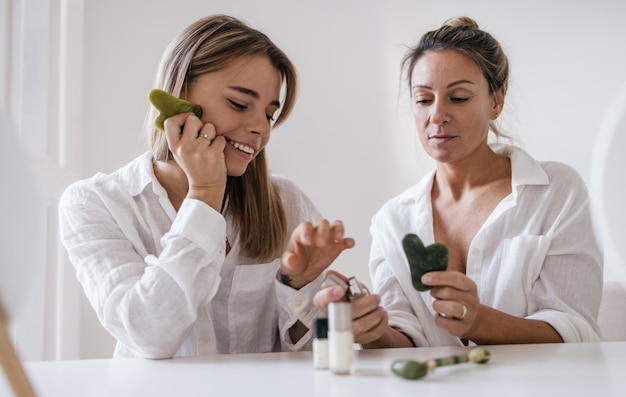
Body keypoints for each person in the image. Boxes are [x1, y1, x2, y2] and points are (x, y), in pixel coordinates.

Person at [58, 14, 354, 359]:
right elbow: (148, 334)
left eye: (269, 114)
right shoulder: (96, 203)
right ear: (180, 94)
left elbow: (320, 354)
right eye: (240, 104)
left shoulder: (284, 201)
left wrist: (299, 287)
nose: (262, 128)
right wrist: (204, 195)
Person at [315, 16, 602, 347]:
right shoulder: (392, 222)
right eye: (423, 99)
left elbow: (576, 330)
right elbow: (405, 335)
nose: (437, 115)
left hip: (535, 395)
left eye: (459, 97)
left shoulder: (557, 191)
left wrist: (479, 322)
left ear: (497, 100)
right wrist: (369, 327)